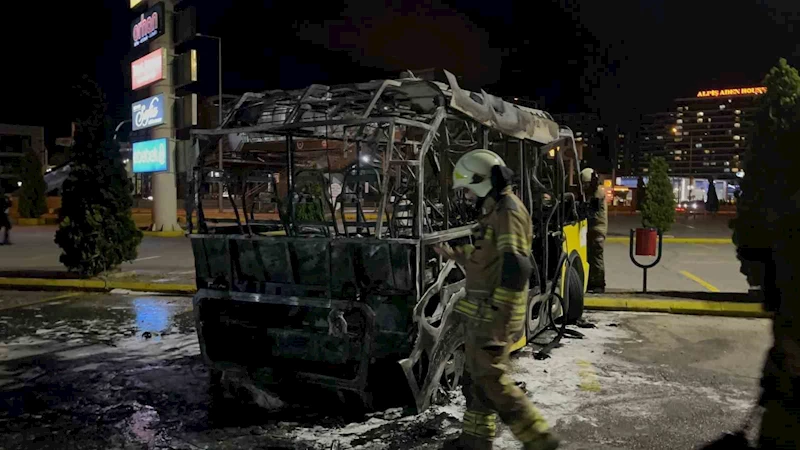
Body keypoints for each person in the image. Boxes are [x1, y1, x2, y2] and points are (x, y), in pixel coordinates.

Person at [435, 149, 559, 450]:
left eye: (466, 189)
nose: (465, 196)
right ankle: (476, 441)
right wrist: (454, 254)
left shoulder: (508, 212)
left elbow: (517, 265)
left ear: (480, 182)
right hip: (485, 311)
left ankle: (540, 439)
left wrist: (498, 312)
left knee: (493, 381)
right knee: (477, 381)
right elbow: (486, 258)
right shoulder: (495, 211)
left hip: (496, 312)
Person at [581, 168, 606, 293]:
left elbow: (591, 212)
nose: (584, 186)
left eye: (585, 183)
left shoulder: (598, 194)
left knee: (596, 258)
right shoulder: (595, 192)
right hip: (594, 230)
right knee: (591, 257)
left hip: (597, 230)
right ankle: (592, 282)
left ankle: (599, 284)